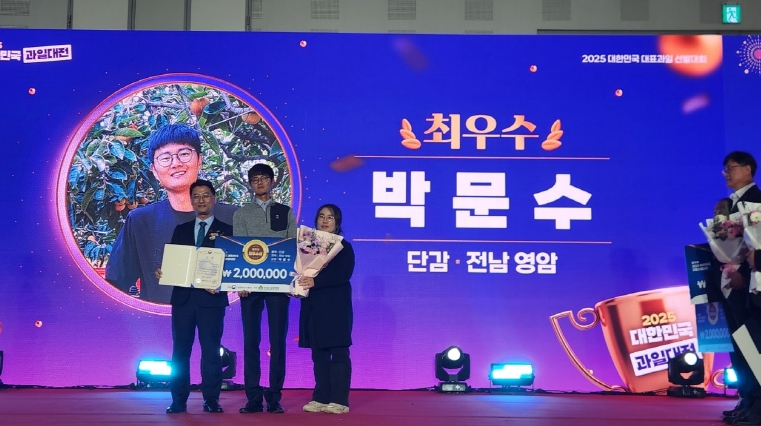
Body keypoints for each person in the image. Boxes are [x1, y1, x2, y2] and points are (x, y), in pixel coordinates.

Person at [106, 123, 238, 304]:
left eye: (184, 154)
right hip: (161, 322)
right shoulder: (140, 222)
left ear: (199, 161)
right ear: (154, 170)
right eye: (165, 158)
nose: (176, 163)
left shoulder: (235, 219)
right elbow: (113, 287)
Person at [156, 179, 233, 414]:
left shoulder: (227, 231)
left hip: (212, 301)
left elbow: (232, 267)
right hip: (183, 300)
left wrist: (221, 284)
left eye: (205, 195)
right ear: (191, 201)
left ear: (214, 199)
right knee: (180, 352)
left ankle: (211, 399)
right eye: (196, 196)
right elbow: (175, 263)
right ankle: (178, 400)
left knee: (211, 351)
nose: (201, 200)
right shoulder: (181, 230)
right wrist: (164, 271)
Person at [234, 163, 297, 414]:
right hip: (249, 285)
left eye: (264, 178)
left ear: (272, 181)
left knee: (277, 342)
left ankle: (274, 397)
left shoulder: (285, 211)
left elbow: (292, 246)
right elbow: (239, 248)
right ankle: (253, 396)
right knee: (251, 341)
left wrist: (291, 281)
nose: (259, 182)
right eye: (255, 179)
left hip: (279, 284)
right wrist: (240, 283)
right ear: (250, 184)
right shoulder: (242, 213)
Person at [714, 151, 761, 424]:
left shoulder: (757, 202)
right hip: (729, 283)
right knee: (738, 347)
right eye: (724, 169)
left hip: (750, 284)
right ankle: (746, 399)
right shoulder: (727, 204)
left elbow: (755, 245)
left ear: (747, 169)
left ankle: (756, 403)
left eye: (730, 167)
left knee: (752, 346)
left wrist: (742, 272)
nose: (726, 173)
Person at [298, 204, 355, 415]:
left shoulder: (344, 247)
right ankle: (321, 397)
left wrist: (315, 282)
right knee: (318, 354)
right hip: (313, 306)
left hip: (336, 307)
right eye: (321, 216)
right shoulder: (307, 245)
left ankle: (339, 400)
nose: (324, 220)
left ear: (337, 222)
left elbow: (343, 275)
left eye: (330, 217)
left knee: (338, 353)